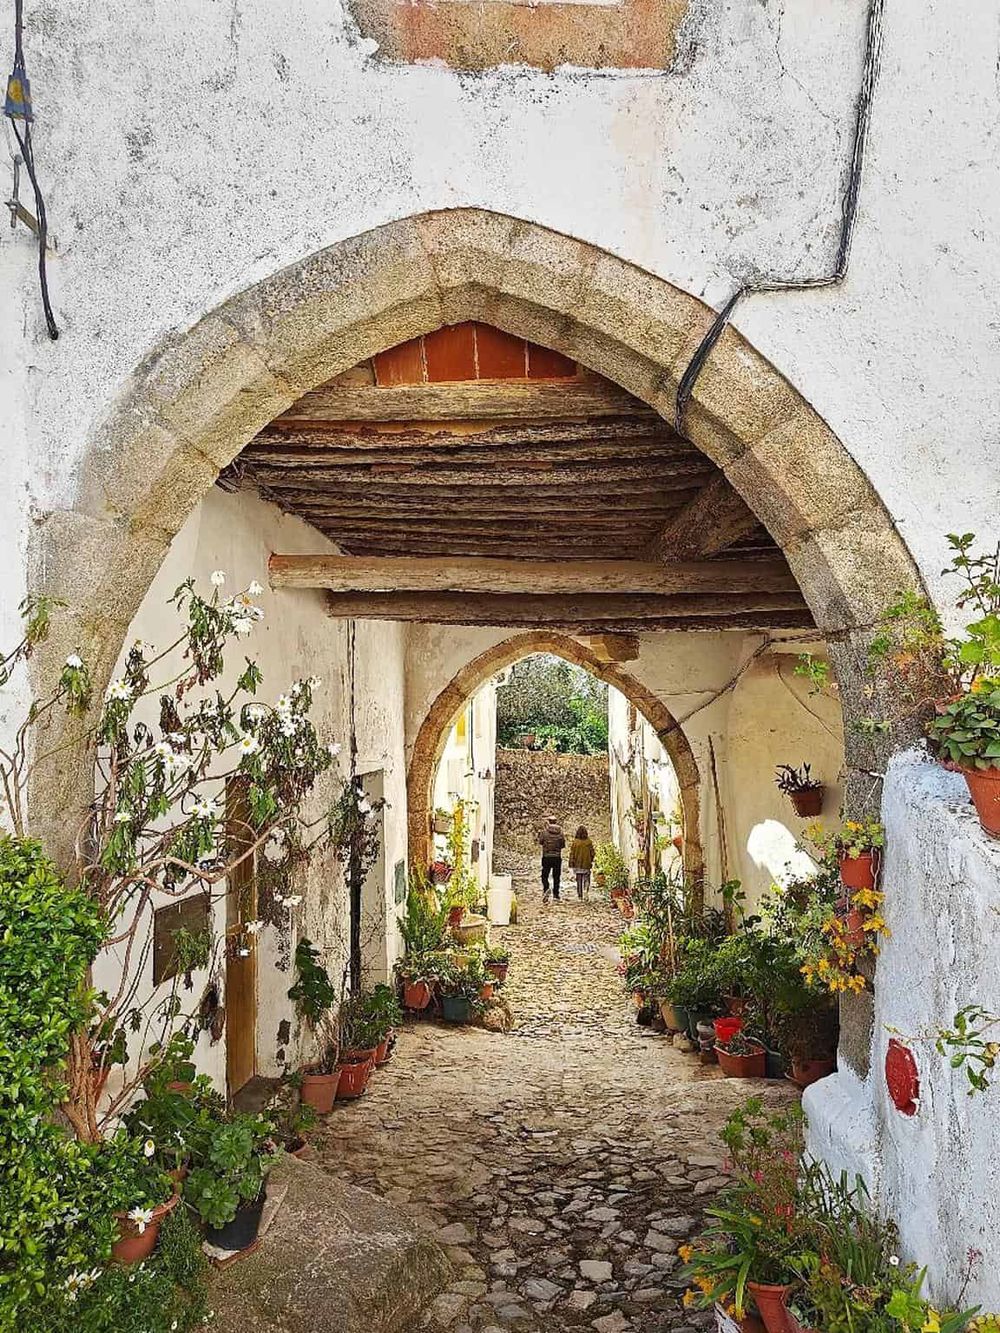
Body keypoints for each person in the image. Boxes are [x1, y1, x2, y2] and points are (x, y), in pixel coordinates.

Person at [537, 815, 566, 903]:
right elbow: (563, 845)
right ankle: (556, 895)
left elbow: (540, 842)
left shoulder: (544, 832)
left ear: (548, 822)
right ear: (556, 822)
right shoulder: (560, 833)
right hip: (557, 857)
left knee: (544, 875)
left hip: (546, 857)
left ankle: (546, 888)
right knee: (556, 877)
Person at [568, 825, 595, 899]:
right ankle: (586, 890)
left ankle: (580, 895)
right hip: (586, 864)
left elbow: (572, 854)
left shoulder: (575, 842)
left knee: (579, 881)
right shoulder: (588, 842)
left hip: (577, 865)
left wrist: (571, 864)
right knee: (587, 879)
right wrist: (591, 860)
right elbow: (592, 853)